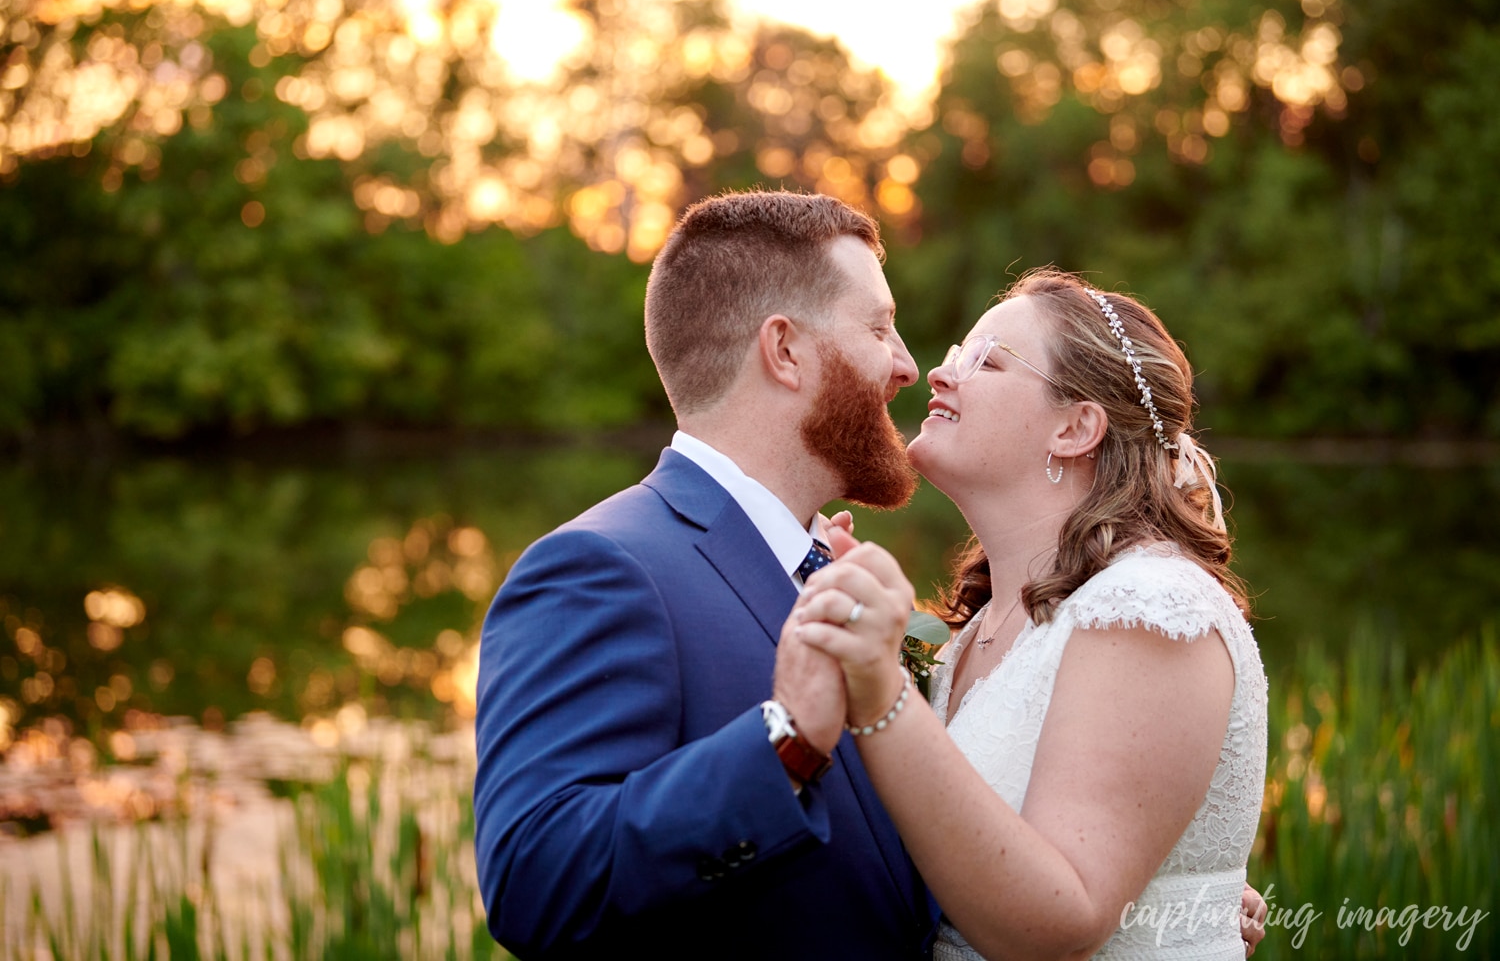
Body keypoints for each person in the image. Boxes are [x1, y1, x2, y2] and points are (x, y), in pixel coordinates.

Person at [471, 190, 938, 959]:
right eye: (879, 328)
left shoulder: (827, 565)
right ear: (785, 350)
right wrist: (785, 743)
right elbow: (535, 881)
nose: (906, 365)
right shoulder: (600, 567)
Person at [790, 269, 1270, 960]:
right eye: (956, 353)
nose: (939, 373)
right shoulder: (972, 637)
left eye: (984, 361)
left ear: (1076, 428)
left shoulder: (1150, 610)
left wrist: (879, 689)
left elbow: (1063, 921)